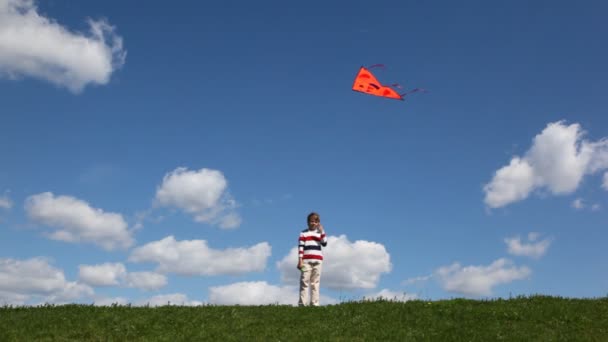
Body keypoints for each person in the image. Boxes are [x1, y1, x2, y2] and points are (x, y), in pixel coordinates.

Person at [297, 211, 328, 306]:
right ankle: (302, 304)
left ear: (318, 223)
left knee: (315, 283)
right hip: (306, 261)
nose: (313, 223)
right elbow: (300, 247)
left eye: (315, 221)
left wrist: (322, 231)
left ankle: (314, 304)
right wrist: (300, 260)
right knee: (304, 282)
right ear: (308, 222)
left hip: (318, 260)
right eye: (311, 221)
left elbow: (324, 243)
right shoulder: (303, 233)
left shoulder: (319, 233)